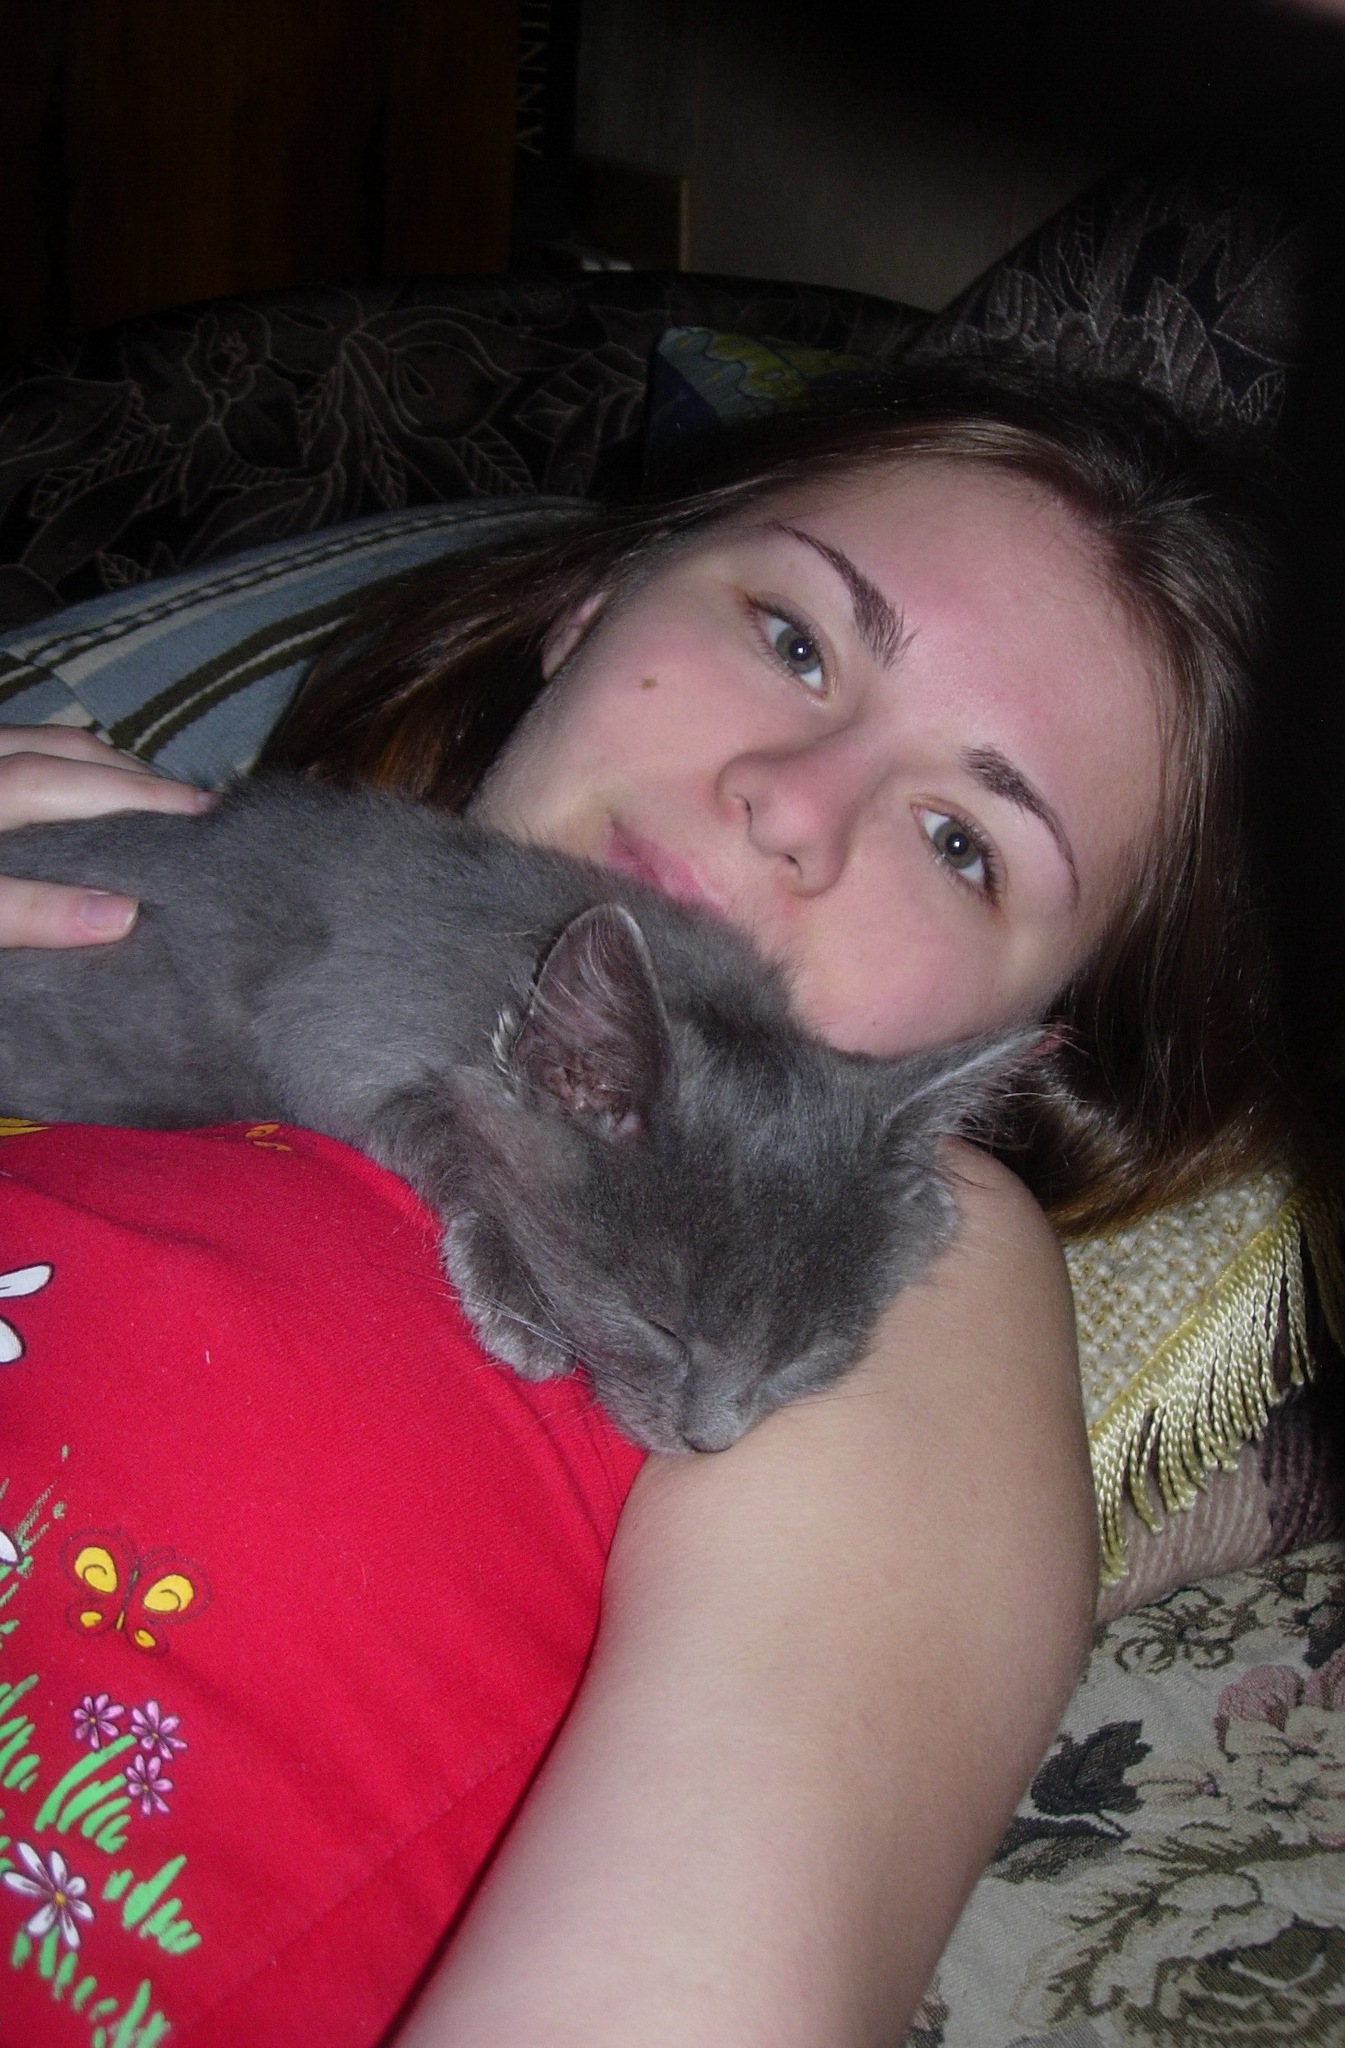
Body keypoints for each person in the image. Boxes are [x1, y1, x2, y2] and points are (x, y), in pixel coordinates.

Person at [0, 372, 1289, 2046]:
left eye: (964, 844)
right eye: (795, 641)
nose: (793, 806)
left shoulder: (916, 1285)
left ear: (1023, 1042)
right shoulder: (161, 891)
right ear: (589, 608)